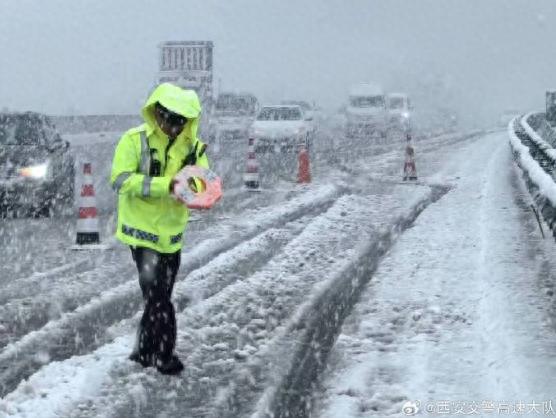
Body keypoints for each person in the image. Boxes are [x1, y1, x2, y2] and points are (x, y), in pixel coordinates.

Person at [110, 83, 209, 375]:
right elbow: (120, 179)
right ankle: (164, 355)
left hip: (172, 234)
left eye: (180, 122)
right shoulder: (134, 140)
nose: (173, 127)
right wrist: (164, 185)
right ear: (157, 113)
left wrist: (200, 190)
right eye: (169, 119)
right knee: (158, 297)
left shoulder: (193, 148)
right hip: (141, 232)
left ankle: (143, 350)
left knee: (158, 294)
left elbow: (203, 182)